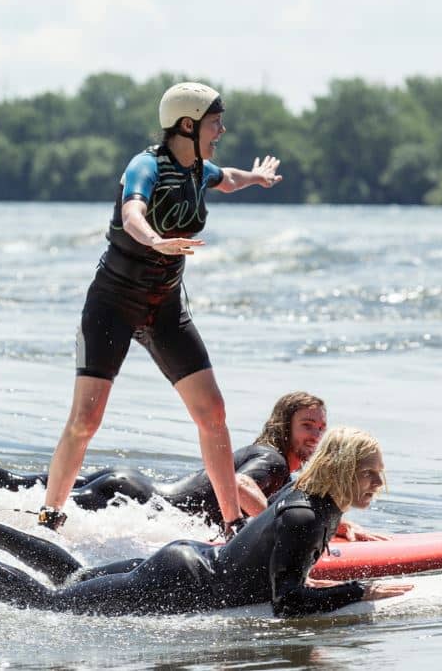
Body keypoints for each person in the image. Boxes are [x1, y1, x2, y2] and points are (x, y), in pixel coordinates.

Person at [38, 82, 284, 533]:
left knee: (213, 413)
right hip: (113, 304)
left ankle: (231, 526)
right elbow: (132, 212)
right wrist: (155, 241)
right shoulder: (146, 165)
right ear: (187, 125)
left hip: (165, 309)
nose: (221, 131)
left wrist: (256, 177)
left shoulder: (199, 170)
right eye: (215, 123)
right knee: (86, 420)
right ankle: (49, 517)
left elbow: (227, 178)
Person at [0, 427, 412, 617]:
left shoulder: (311, 500)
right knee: (48, 603)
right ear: (342, 470)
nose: (379, 483)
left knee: (75, 578)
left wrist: (317, 579)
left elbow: (273, 562)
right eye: (370, 473)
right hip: (181, 584)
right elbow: (288, 605)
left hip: (189, 564)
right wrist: (359, 591)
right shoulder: (307, 515)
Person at [0, 392, 353, 529]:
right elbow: (243, 488)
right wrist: (279, 528)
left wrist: (342, 527)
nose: (316, 435)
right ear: (285, 425)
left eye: (321, 427)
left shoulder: (266, 456)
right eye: (307, 425)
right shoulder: (272, 460)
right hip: (136, 500)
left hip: (132, 488)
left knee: (21, 484)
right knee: (23, 500)